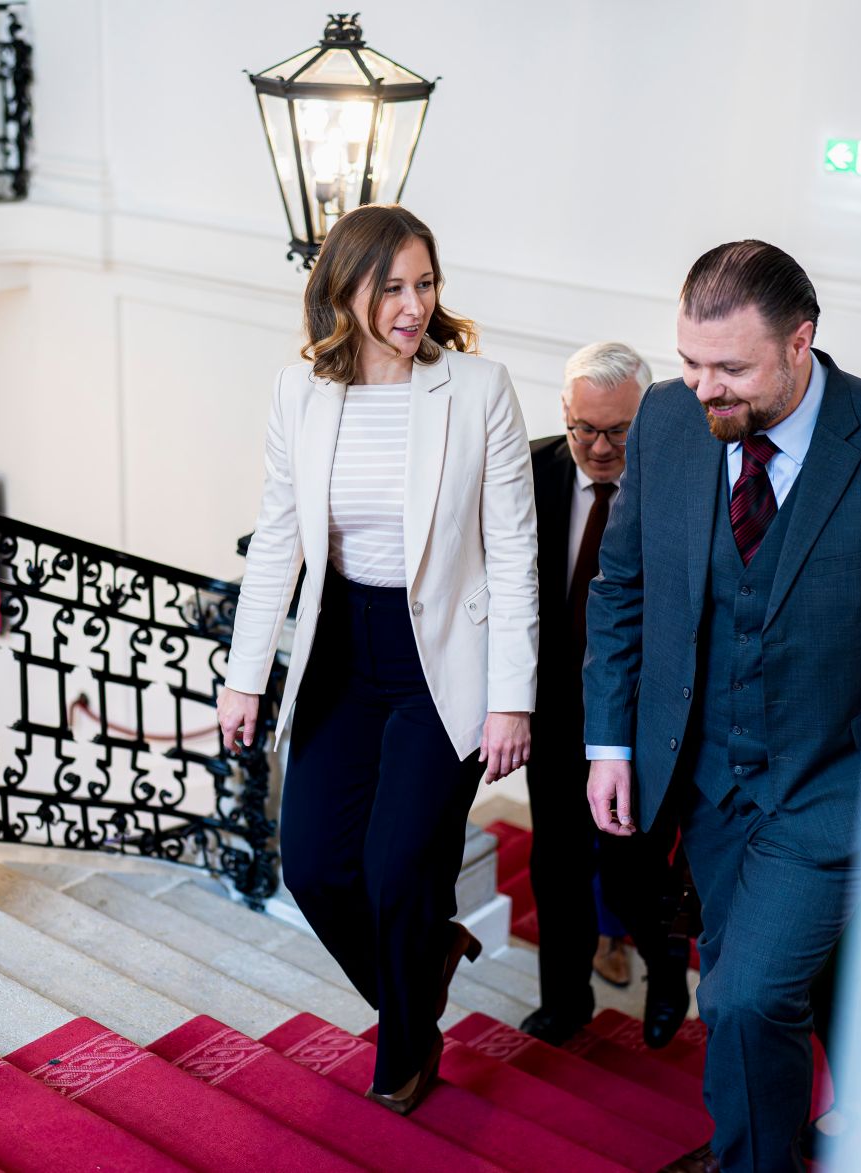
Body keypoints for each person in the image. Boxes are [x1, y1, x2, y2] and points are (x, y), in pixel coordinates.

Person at [583, 241, 861, 1170]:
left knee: (742, 995)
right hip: (704, 785)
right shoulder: (666, 423)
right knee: (765, 990)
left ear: (801, 342)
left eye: (732, 368)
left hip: (834, 783)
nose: (705, 389)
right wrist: (609, 742)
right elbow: (621, 586)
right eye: (691, 362)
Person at [217, 204, 539, 1116]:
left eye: (425, 283)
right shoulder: (301, 390)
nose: (412, 304)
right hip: (339, 657)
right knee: (314, 868)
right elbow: (278, 537)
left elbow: (513, 550)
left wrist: (512, 699)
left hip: (442, 661)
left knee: (402, 869)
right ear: (341, 289)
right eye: (391, 286)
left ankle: (405, 1046)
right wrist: (245, 675)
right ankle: (424, 965)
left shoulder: (477, 388)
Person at [520, 341, 691, 1049]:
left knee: (634, 873)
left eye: (616, 431)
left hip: (643, 719)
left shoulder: (682, 487)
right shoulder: (530, 471)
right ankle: (565, 1002)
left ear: (646, 421)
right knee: (555, 864)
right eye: (581, 427)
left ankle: (668, 975)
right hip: (554, 711)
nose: (596, 445)